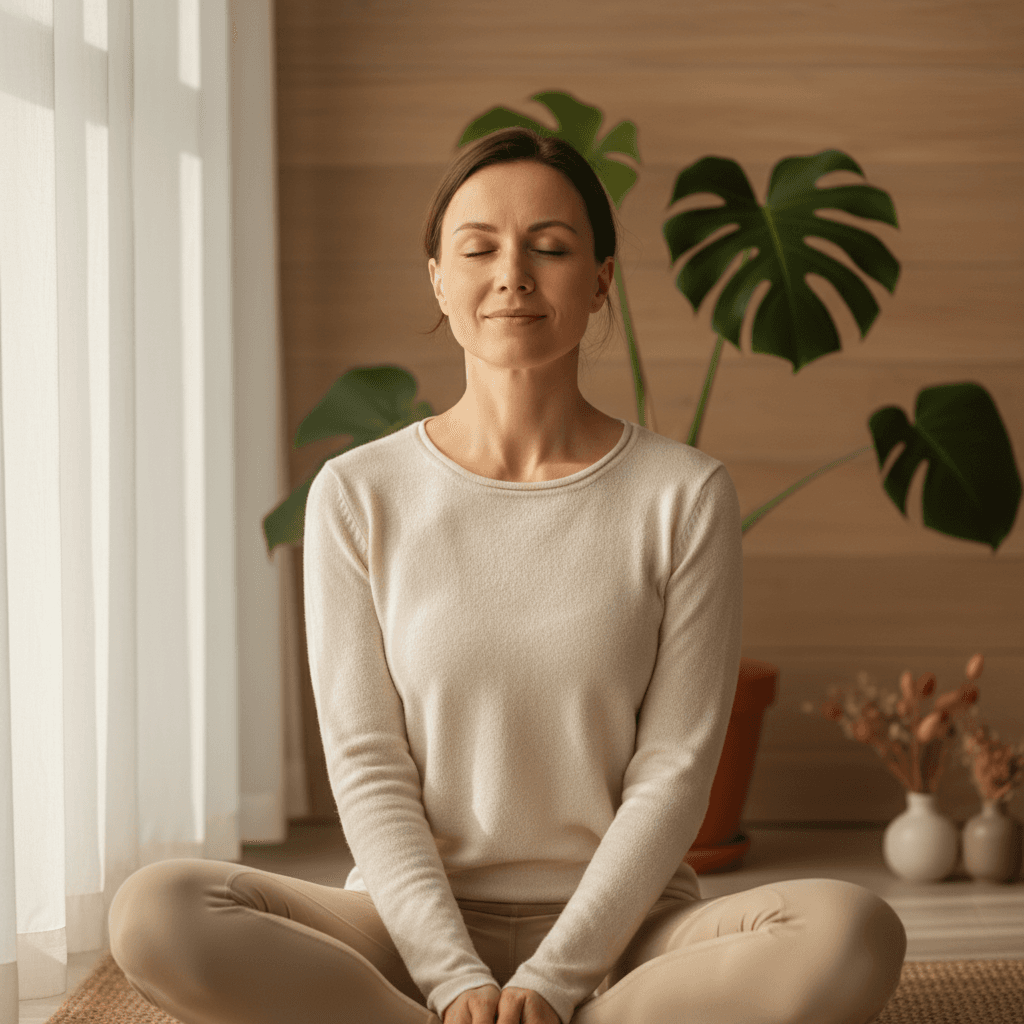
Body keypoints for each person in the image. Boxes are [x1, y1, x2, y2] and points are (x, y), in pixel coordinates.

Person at [106, 127, 907, 1024]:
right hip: (403, 933)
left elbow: (675, 773)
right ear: (438, 278)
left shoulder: (683, 494)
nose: (512, 274)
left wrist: (556, 980)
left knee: (853, 930)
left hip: (624, 941)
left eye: (551, 248)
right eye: (478, 247)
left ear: (600, 280)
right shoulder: (358, 493)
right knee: (156, 912)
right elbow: (368, 764)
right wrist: (452, 979)